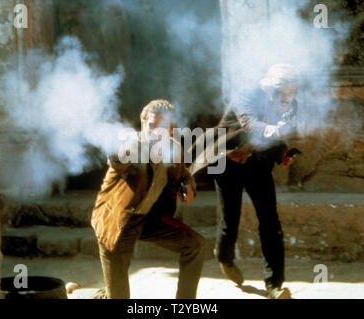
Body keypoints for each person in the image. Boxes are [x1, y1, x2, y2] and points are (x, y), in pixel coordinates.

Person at [190, 64, 300, 299]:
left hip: (258, 165)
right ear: (274, 86)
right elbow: (250, 123)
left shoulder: (290, 104)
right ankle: (224, 257)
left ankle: (275, 285)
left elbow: (284, 131)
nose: (289, 97)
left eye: (292, 92)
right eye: (286, 91)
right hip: (228, 162)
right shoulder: (248, 94)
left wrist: (282, 154)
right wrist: (275, 131)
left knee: (271, 222)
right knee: (231, 220)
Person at [91, 99, 205, 299]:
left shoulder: (174, 148)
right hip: (118, 223)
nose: (155, 132)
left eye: (162, 127)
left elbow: (184, 172)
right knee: (118, 297)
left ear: (171, 129)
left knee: (196, 245)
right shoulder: (133, 146)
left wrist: (188, 185)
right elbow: (116, 159)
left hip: (151, 220)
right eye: (151, 126)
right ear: (143, 123)